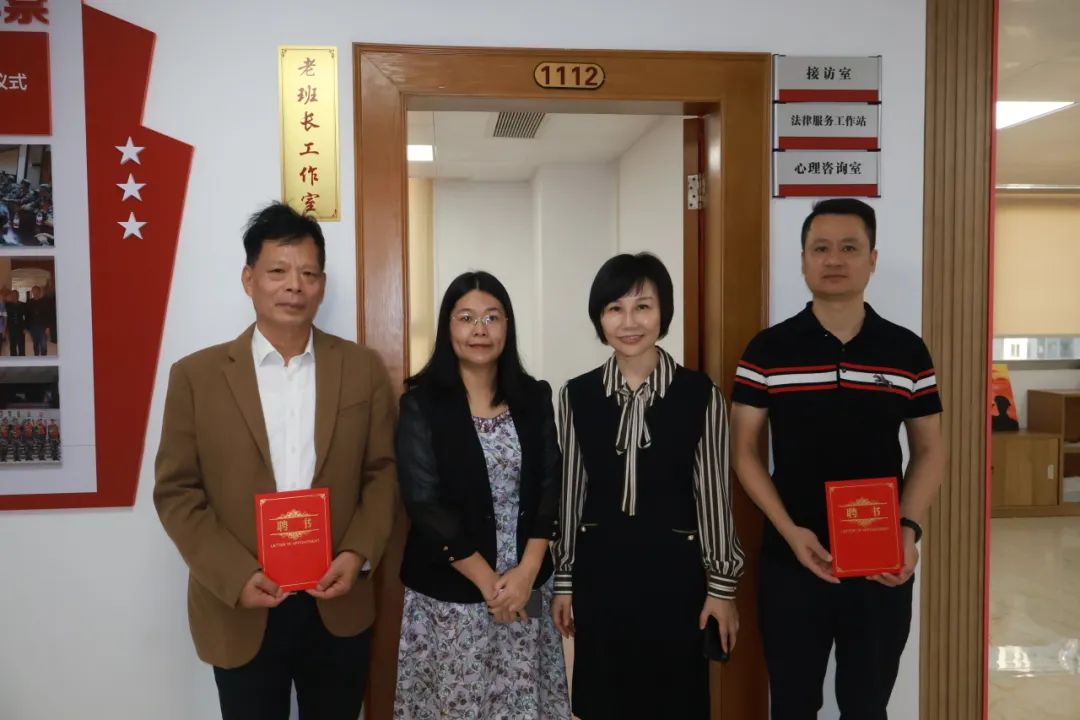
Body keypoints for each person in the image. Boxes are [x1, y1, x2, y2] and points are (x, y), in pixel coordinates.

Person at [154, 202, 397, 720]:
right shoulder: (196, 377)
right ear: (249, 279)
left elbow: (383, 473)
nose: (294, 286)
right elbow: (177, 492)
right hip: (241, 604)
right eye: (278, 271)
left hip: (337, 599)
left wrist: (357, 553)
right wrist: (235, 574)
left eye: (308, 274)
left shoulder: (362, 368)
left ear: (322, 285)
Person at [730, 198, 946, 719]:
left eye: (849, 248)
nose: (833, 260)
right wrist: (788, 530)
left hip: (879, 562)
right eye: (820, 248)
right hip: (791, 559)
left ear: (872, 259)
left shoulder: (906, 351)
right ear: (803, 260)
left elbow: (930, 449)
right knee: (793, 704)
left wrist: (908, 530)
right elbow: (743, 451)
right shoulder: (767, 350)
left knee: (867, 706)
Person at [551, 253, 744, 720]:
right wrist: (564, 580)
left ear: (663, 312)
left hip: (676, 578)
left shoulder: (701, 395)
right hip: (601, 575)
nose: (629, 322)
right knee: (605, 702)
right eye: (614, 308)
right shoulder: (576, 395)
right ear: (599, 318)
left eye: (643, 307)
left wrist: (722, 588)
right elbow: (570, 493)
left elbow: (714, 496)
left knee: (675, 703)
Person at [394, 271, 570, 720]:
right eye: (466, 317)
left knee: (522, 699)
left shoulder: (533, 397)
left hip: (526, 582)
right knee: (459, 704)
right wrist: (492, 586)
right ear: (447, 327)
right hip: (452, 588)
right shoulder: (421, 404)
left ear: (507, 326)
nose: (480, 329)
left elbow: (551, 483)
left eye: (492, 317)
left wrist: (527, 573)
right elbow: (424, 503)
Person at [26, 285, 49, 355]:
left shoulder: (45, 301)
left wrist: (48, 327)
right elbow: (27, 316)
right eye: (34, 291)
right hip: (33, 327)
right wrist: (27, 328)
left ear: (39, 292)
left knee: (43, 345)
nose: (35, 293)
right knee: (35, 344)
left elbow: (48, 315)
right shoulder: (29, 302)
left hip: (42, 327)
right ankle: (36, 358)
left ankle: (44, 359)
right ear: (32, 292)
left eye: (37, 292)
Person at [6, 290, 26, 356]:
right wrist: (6, 329)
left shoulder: (23, 305)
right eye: (13, 295)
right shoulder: (7, 305)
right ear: (11, 296)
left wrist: (25, 328)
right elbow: (5, 317)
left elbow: (26, 317)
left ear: (18, 295)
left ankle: (22, 360)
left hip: (20, 328)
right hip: (11, 327)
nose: (14, 296)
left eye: (15, 295)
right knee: (12, 345)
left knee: (21, 345)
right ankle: (13, 360)